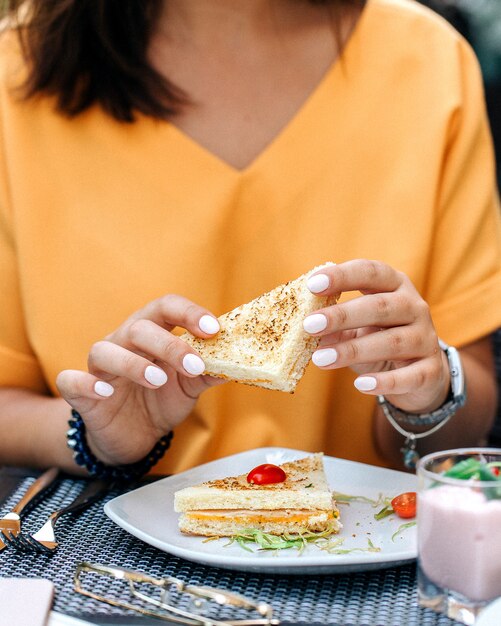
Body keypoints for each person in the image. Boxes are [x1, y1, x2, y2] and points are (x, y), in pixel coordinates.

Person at [0, 0, 501, 478]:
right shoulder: (16, 71)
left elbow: (465, 416)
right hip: (105, 554)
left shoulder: (428, 60)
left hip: (364, 542)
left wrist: (427, 394)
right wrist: (97, 434)